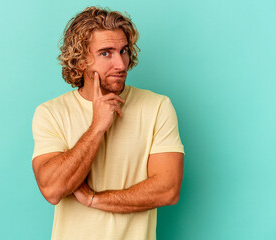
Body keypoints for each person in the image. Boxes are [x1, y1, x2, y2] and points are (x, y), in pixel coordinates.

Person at [31, 6, 185, 240]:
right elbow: (52, 190)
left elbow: (168, 189)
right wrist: (97, 127)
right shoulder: (50, 113)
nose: (121, 65)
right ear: (81, 59)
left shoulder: (157, 107)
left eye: (123, 51)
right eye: (106, 53)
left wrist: (94, 199)